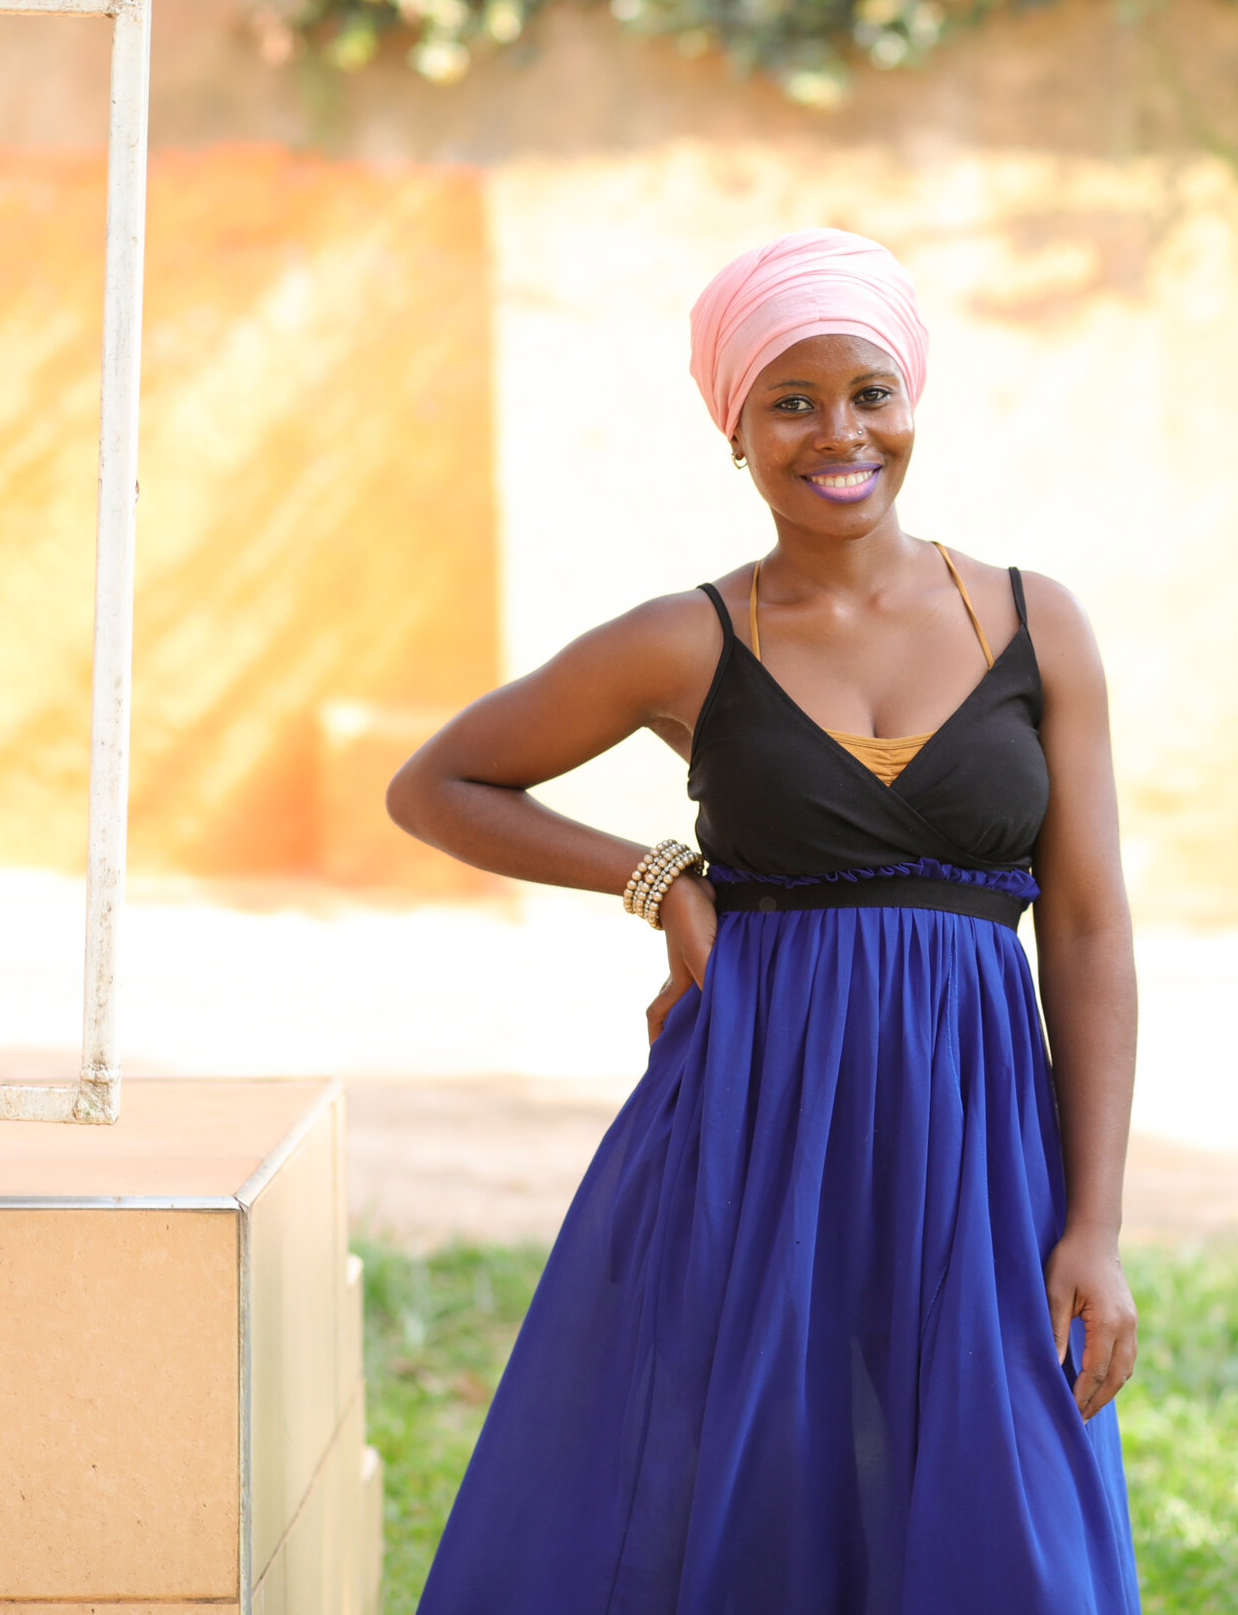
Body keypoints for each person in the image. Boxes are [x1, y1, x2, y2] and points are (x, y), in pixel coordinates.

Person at [387, 227, 1141, 1613]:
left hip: (979, 1134)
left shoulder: (1037, 625)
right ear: (733, 430)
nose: (839, 433)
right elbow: (437, 785)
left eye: (870, 392)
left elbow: (1088, 930)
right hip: (760, 1116)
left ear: (912, 401)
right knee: (742, 1492)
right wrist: (657, 878)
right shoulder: (690, 638)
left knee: (1003, 1495)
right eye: (791, 402)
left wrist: (1091, 1222)